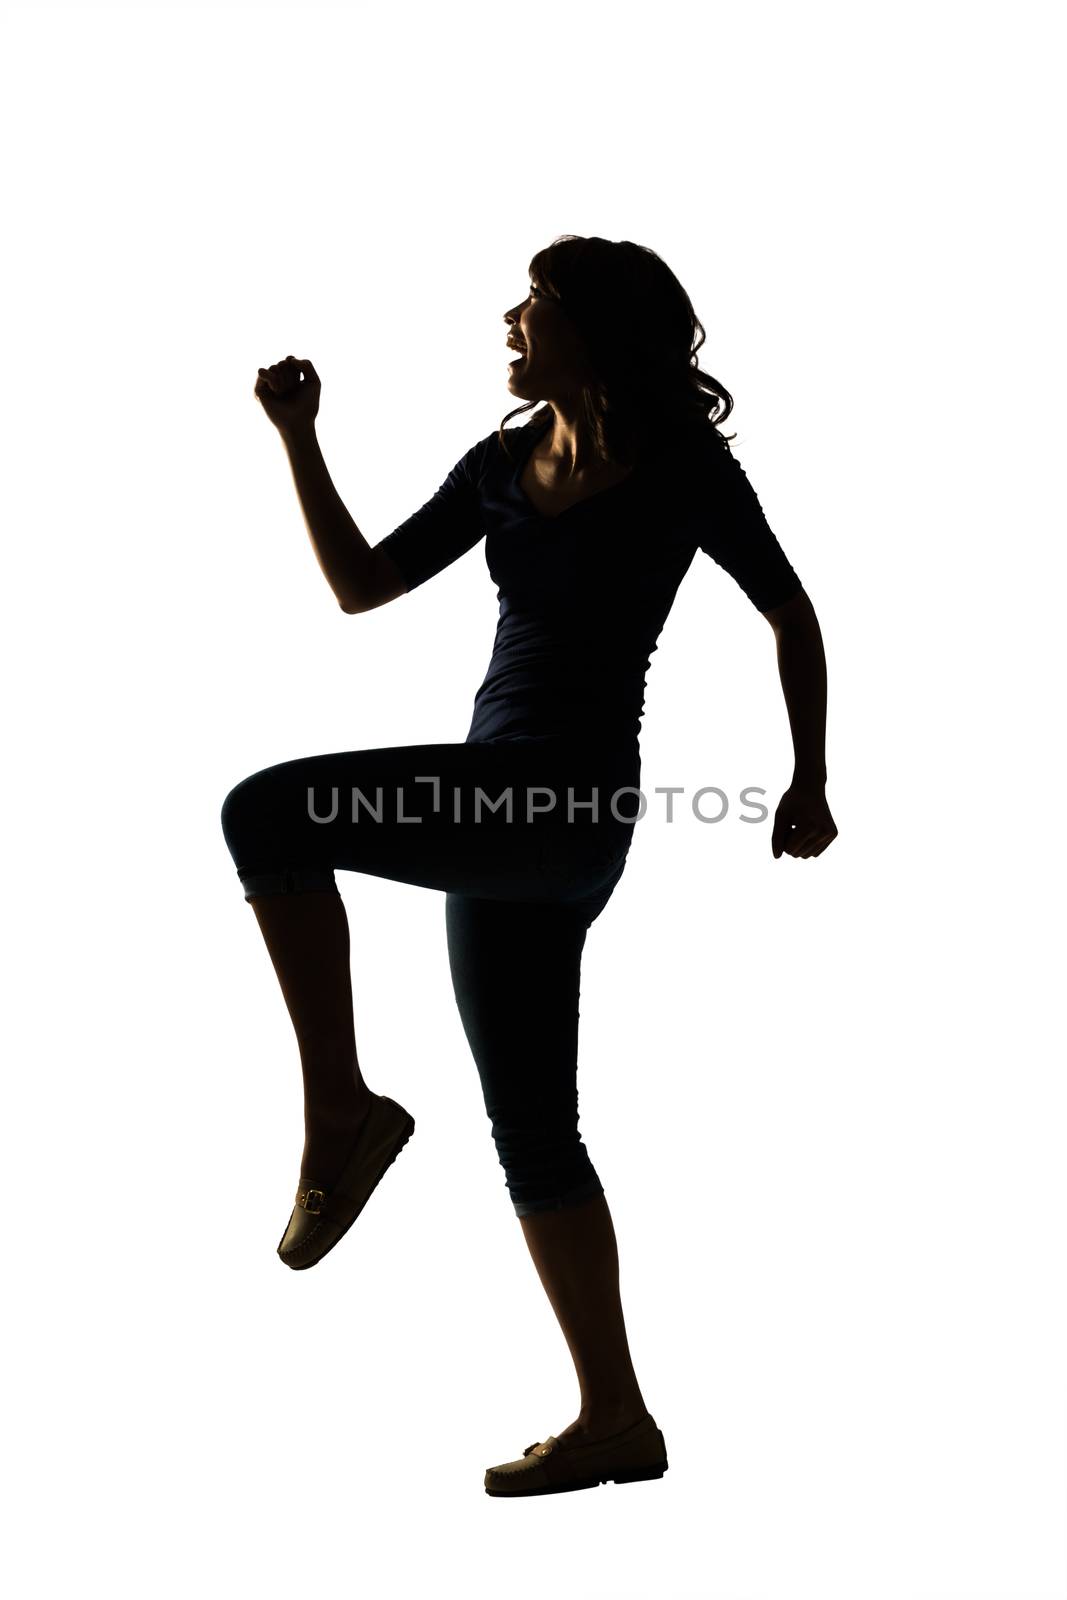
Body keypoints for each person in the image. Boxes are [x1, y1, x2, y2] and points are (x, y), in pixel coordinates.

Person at [219, 234, 838, 1497]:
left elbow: (787, 606)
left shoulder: (682, 470)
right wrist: (299, 439)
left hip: (562, 808)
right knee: (534, 1133)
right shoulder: (500, 463)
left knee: (268, 813)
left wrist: (808, 776)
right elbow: (362, 586)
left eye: (536, 305)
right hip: (496, 829)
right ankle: (616, 1417)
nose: (510, 317)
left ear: (593, 330)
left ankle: (341, 1115)